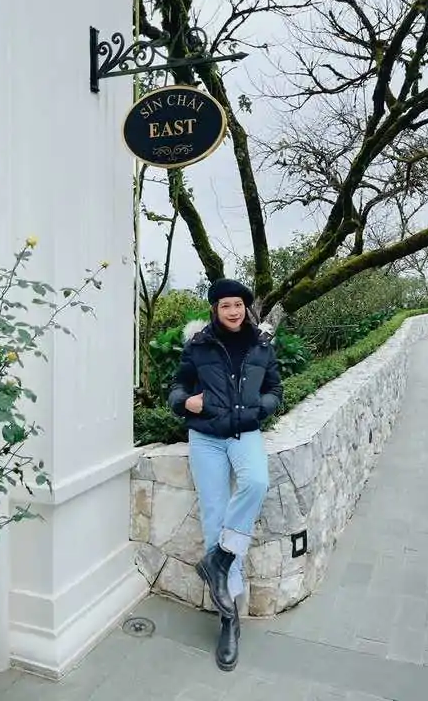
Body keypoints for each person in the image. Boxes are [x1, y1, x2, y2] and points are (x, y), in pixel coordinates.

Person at [169, 278, 283, 671]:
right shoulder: (198, 345)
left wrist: (260, 409)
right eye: (225, 306)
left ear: (246, 308)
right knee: (213, 517)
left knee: (256, 482)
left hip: (244, 433)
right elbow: (178, 386)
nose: (232, 311)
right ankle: (228, 620)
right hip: (206, 438)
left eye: (238, 305)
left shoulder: (262, 345)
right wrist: (187, 402)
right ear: (215, 310)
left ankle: (219, 558)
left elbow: (275, 389)